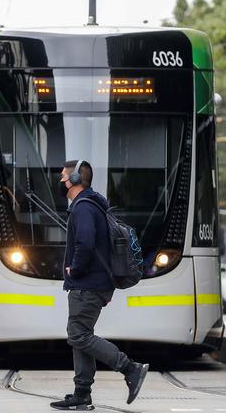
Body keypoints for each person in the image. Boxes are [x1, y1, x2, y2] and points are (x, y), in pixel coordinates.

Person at [50, 160, 148, 411]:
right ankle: (82, 392)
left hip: (87, 283)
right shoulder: (93, 205)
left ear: (74, 180)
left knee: (78, 335)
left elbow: (85, 242)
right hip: (93, 283)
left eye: (63, 177)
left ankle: (130, 368)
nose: (60, 181)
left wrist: (76, 268)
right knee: (81, 335)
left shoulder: (83, 207)